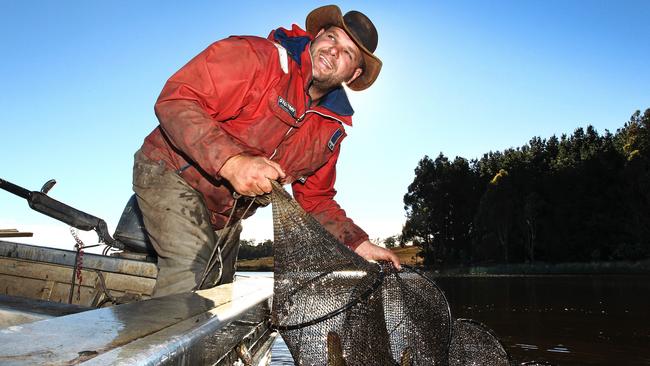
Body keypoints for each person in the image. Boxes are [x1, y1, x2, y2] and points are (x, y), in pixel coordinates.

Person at [133, 5, 400, 297]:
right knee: (191, 272)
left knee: (218, 292)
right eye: (333, 38)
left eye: (348, 53)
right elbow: (177, 98)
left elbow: (316, 200)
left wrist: (358, 243)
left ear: (354, 73)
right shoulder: (259, 57)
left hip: (227, 214)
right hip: (170, 171)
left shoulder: (330, 131)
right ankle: (156, 343)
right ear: (319, 35)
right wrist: (231, 162)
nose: (334, 51)